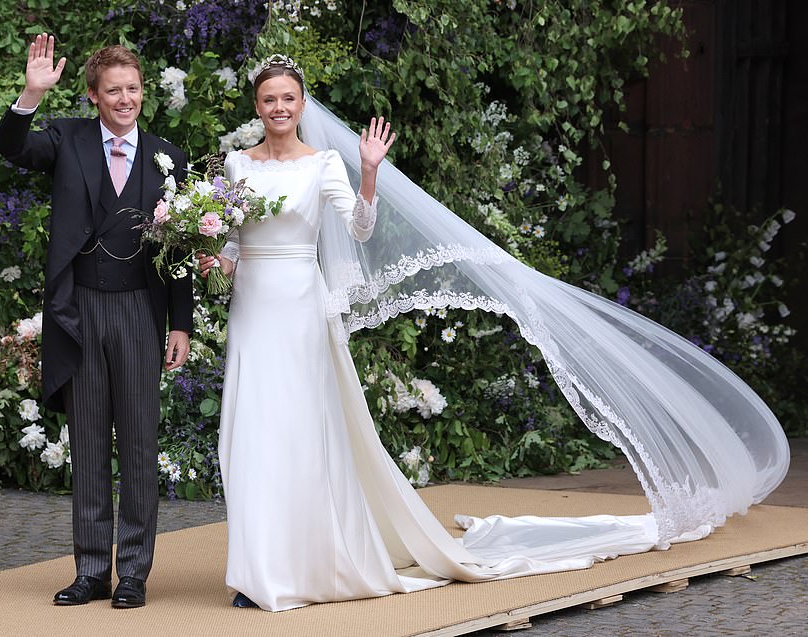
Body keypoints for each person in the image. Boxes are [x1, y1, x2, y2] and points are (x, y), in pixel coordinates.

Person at [199, 55, 790, 612]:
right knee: (248, 432)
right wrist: (213, 259)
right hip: (253, 309)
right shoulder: (237, 164)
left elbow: (359, 228)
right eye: (268, 99)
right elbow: (233, 239)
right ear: (257, 107)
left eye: (287, 98)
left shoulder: (324, 163)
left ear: (301, 104)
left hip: (300, 306)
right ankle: (255, 570)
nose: (278, 107)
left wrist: (370, 173)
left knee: (297, 436)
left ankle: (295, 568)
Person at [0, 35, 193, 609]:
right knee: (87, 444)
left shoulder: (166, 155)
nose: (124, 98)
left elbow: (179, 247)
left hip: (138, 311)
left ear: (141, 93)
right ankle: (90, 570)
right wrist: (31, 95)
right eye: (113, 90)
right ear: (93, 96)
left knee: (137, 443)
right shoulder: (67, 140)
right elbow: (11, 146)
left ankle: (132, 571)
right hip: (78, 311)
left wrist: (180, 322)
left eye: (132, 88)